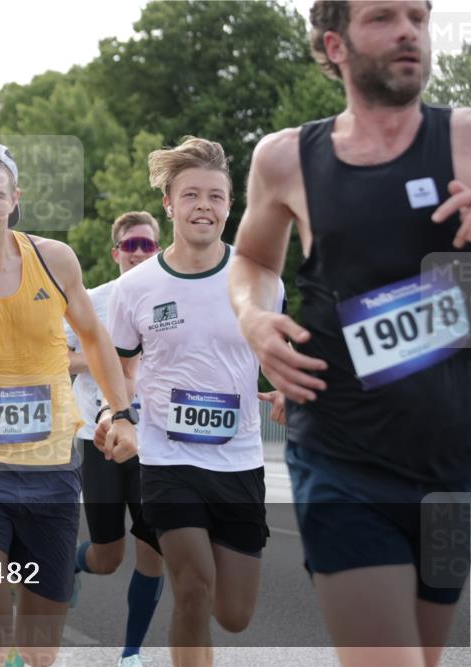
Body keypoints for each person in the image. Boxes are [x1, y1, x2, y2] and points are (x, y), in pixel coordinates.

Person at [228, 2, 471, 665]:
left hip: (458, 458)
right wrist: (255, 316)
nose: (409, 30)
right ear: (335, 45)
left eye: (418, 16)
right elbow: (252, 260)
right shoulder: (286, 157)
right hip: (340, 453)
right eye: (383, 17)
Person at [0, 140, 138, 667]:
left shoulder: (53, 259)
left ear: (15, 198)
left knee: (37, 656)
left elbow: (95, 337)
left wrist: (119, 411)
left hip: (53, 478)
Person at [96, 137, 283, 667]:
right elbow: (121, 367)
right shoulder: (137, 287)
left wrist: (289, 387)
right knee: (194, 587)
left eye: (217, 196)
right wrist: (119, 416)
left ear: (230, 206)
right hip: (167, 459)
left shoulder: (261, 278)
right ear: (169, 204)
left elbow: (279, 353)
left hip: (239, 459)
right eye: (192, 195)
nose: (204, 205)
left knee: (234, 614)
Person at [67, 211, 164, 666]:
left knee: (154, 548)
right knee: (107, 556)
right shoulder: (91, 300)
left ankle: (131, 652)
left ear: (159, 249)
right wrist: (104, 354)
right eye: (131, 246)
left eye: (147, 245)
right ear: (116, 253)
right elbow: (58, 358)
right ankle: (68, 562)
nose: (139, 253)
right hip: (100, 439)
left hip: (158, 444)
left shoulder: (174, 300)